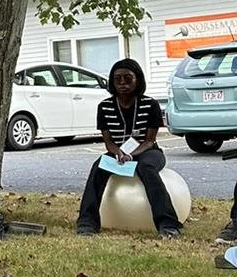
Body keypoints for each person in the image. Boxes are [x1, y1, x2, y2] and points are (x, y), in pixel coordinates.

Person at [76, 58, 180, 238]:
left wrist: (131, 154)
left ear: (137, 79)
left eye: (128, 78)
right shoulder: (105, 107)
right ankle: (87, 223)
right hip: (118, 152)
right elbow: (108, 142)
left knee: (145, 167)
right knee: (98, 166)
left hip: (148, 152)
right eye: (117, 79)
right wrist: (118, 153)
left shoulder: (150, 104)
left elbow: (149, 140)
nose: (122, 83)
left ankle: (168, 224)